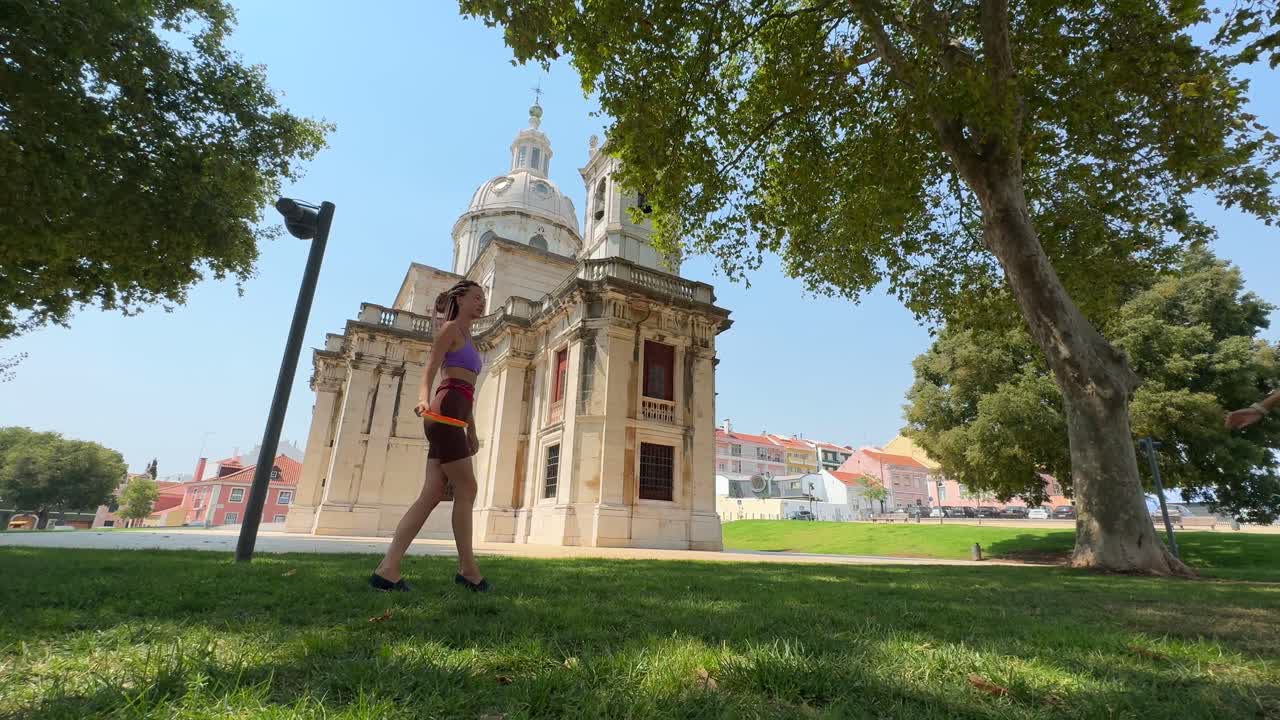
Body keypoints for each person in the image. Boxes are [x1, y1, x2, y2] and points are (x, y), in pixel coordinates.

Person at [370, 280, 490, 592]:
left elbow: (469, 391)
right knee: (468, 487)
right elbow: (431, 369)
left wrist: (472, 430)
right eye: (476, 297)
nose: (482, 303)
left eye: (484, 299)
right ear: (460, 298)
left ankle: (388, 569)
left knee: (433, 492)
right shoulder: (450, 329)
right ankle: (468, 570)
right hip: (443, 412)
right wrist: (422, 399)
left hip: (458, 414)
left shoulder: (470, 339)